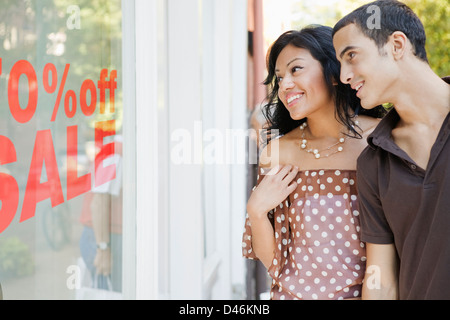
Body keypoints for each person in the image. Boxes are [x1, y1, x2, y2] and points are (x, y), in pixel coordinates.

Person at [242, 25, 386, 300]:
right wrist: (257, 211)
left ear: (334, 72)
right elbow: (277, 264)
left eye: (296, 69)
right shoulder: (279, 152)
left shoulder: (380, 140)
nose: (284, 85)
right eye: (279, 76)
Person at [332, 0, 450, 300]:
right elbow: (381, 279)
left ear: (397, 44)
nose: (345, 76)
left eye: (352, 56)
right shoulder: (373, 163)